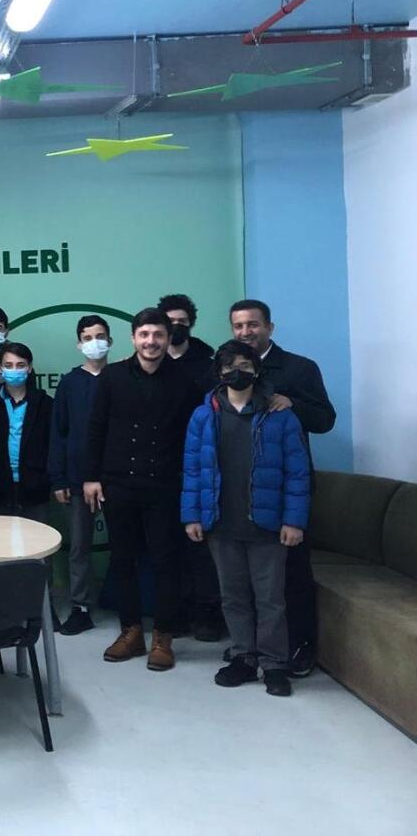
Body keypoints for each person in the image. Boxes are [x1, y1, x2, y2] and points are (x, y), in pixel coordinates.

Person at [182, 340, 310, 697]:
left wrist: (294, 521)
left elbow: (297, 473)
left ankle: (274, 664)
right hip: (221, 522)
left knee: (271, 599)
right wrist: (192, 516)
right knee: (233, 596)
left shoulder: (280, 415)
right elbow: (192, 470)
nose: (237, 373)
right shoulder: (203, 415)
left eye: (244, 366)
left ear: (256, 370)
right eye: (229, 367)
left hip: (268, 525)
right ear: (219, 373)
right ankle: (243, 657)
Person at [84, 308, 205, 673]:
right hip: (118, 484)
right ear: (134, 338)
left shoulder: (186, 380)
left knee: (166, 562)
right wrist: (91, 477)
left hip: (166, 486)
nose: (151, 342)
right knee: (123, 560)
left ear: (168, 338)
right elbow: (96, 427)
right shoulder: (113, 376)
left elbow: (195, 438)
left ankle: (163, 638)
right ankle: (131, 632)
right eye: (144, 335)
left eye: (158, 335)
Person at [229, 298, 335, 677]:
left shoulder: (299, 368)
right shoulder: (228, 368)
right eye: (239, 326)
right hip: (241, 491)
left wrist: (293, 404)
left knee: (293, 572)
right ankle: (252, 648)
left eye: (253, 325)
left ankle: (301, 646)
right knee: (247, 576)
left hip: (288, 490)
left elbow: (325, 419)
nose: (246, 332)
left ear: (269, 327)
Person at [158, 296, 223, 641]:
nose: (176, 326)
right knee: (167, 544)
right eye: (169, 321)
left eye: (182, 321)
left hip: (200, 465)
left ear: (191, 323)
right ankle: (176, 613)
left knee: (201, 543)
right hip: (162, 465)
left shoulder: (208, 365)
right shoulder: (148, 363)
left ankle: (208, 613)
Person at [48, 315, 111, 635]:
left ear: (110, 341)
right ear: (79, 344)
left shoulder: (121, 377)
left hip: (118, 477)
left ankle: (129, 605)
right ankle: (81, 607)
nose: (94, 342)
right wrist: (58, 478)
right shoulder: (70, 383)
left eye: (100, 336)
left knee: (129, 544)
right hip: (77, 478)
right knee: (79, 547)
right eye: (88, 338)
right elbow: (59, 432)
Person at [0, 342, 54, 520]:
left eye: (20, 365)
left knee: (37, 536)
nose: (14, 370)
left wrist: (45, 479)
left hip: (35, 491)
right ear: (0, 368)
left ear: (29, 368)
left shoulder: (45, 404)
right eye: (8, 365)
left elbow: (53, 446)